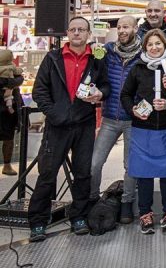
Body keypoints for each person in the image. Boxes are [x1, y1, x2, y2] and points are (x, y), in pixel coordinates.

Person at [28, 17, 110, 242]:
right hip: (57, 126)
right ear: (67, 33)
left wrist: (100, 94)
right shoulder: (52, 58)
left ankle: (79, 217)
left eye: (81, 30)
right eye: (73, 29)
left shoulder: (96, 60)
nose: (76, 33)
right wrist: (54, 113)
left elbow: (105, 85)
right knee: (47, 174)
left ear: (88, 34)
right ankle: (37, 222)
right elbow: (39, 91)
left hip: (84, 124)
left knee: (83, 173)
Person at [120, 29, 166, 234]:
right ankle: (145, 213)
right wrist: (134, 110)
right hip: (143, 129)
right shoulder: (137, 67)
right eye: (150, 45)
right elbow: (126, 94)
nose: (154, 48)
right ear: (144, 47)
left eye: (158, 44)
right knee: (144, 175)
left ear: (165, 45)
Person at [90, 15, 142, 224]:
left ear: (136, 29)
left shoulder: (144, 53)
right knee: (95, 162)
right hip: (110, 117)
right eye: (119, 27)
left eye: (126, 27)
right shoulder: (108, 51)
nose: (122, 30)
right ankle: (92, 200)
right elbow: (95, 73)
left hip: (133, 118)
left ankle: (127, 203)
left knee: (130, 165)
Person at [0, 49, 23, 176]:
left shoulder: (12, 68)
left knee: (9, 138)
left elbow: (20, 78)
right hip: (5, 108)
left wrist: (10, 84)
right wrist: (10, 84)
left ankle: (7, 165)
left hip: (9, 111)